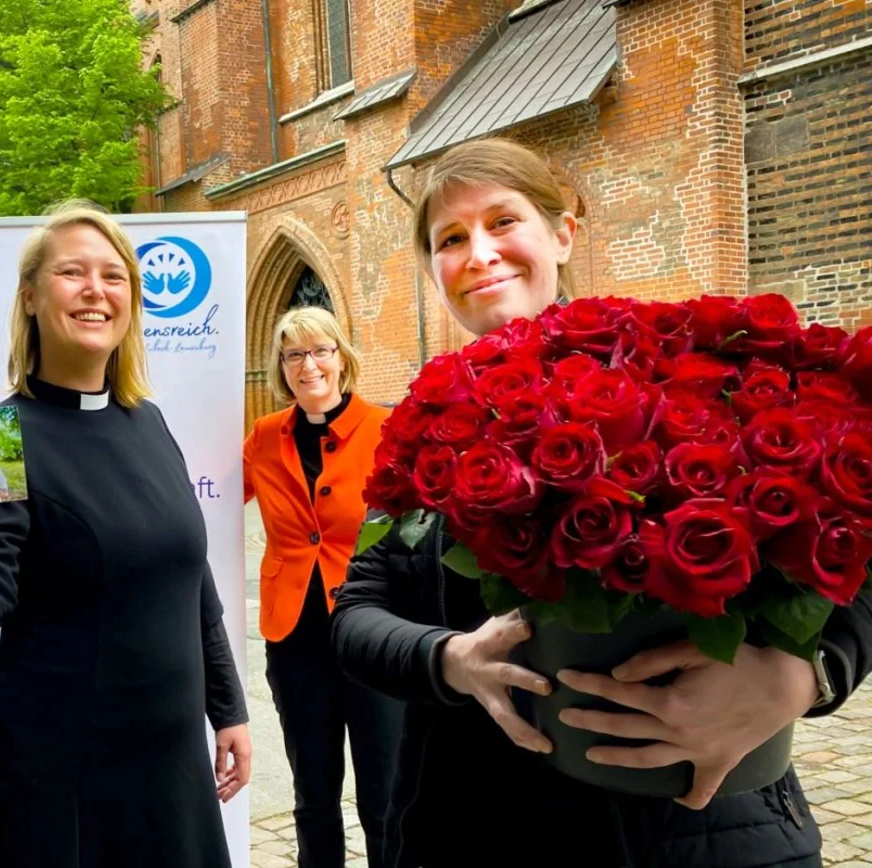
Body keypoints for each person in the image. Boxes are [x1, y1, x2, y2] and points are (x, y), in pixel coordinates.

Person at [329, 137, 859, 867]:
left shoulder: (679, 370)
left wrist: (810, 672)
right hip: (482, 825)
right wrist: (451, 658)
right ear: (433, 269)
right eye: (450, 239)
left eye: (503, 221)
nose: (479, 252)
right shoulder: (425, 432)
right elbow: (357, 612)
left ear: (562, 233)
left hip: (703, 828)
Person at [0, 198, 253, 867]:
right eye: (74, 272)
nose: (96, 290)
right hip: (57, 771)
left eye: (114, 275)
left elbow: (194, 586)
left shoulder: (150, 421)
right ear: (31, 296)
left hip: (167, 762)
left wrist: (231, 708)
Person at [243, 305, 403, 867]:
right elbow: (204, 500)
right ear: (280, 367)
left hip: (375, 630)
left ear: (342, 357)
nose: (308, 365)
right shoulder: (264, 437)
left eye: (320, 351)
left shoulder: (386, 430)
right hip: (295, 638)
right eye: (294, 354)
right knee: (312, 794)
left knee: (385, 797)